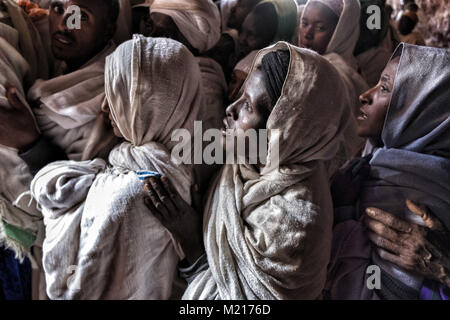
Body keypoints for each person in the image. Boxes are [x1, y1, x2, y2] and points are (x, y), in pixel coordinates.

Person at [143, 41, 353, 299]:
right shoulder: (246, 162)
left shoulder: (295, 224)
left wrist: (192, 242)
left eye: (248, 107)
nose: (231, 108)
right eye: (240, 95)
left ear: (283, 131)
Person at [30, 35, 205, 300]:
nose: (104, 105)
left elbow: (81, 290)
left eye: (118, 93)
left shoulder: (137, 192)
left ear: (151, 103)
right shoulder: (182, 161)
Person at [326, 43, 450, 300]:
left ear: (421, 111)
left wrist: (339, 212)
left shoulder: (410, 192)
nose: (365, 95)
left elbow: (364, 291)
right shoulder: (377, 161)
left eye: (384, 88)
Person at [299, 0, 368, 172]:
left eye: (320, 28)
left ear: (341, 32)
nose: (307, 33)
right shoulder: (303, 64)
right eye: (304, 23)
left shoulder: (333, 73)